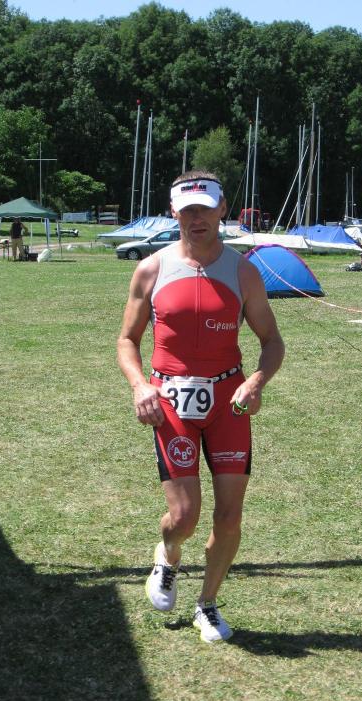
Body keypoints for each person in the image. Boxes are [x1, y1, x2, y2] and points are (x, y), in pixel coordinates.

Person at [117, 170, 285, 643]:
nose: (197, 218)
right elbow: (127, 340)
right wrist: (139, 386)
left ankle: (207, 604)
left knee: (229, 516)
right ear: (173, 212)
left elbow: (272, 341)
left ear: (222, 210)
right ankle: (168, 555)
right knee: (184, 516)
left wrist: (256, 381)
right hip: (170, 401)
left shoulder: (243, 272)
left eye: (205, 209)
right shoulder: (151, 269)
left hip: (228, 403)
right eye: (187, 210)